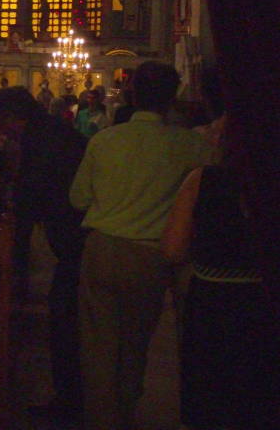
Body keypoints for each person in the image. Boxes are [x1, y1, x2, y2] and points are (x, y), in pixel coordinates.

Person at [69, 61, 213, 430]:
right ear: (174, 97)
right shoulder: (191, 145)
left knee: (97, 348)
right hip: (150, 257)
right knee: (134, 346)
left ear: (131, 92)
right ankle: (126, 414)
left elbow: (78, 199)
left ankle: (100, 421)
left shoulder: (105, 140)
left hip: (100, 250)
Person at [162, 140, 279, 429]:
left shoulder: (204, 179)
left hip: (214, 300)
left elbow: (173, 248)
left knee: (212, 397)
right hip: (266, 299)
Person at [0, 86, 88, 420]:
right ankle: (71, 399)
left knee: (64, 322)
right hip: (74, 235)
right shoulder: (51, 131)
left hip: (75, 237)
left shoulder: (43, 139)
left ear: (12, 118)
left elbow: (34, 192)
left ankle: (70, 404)